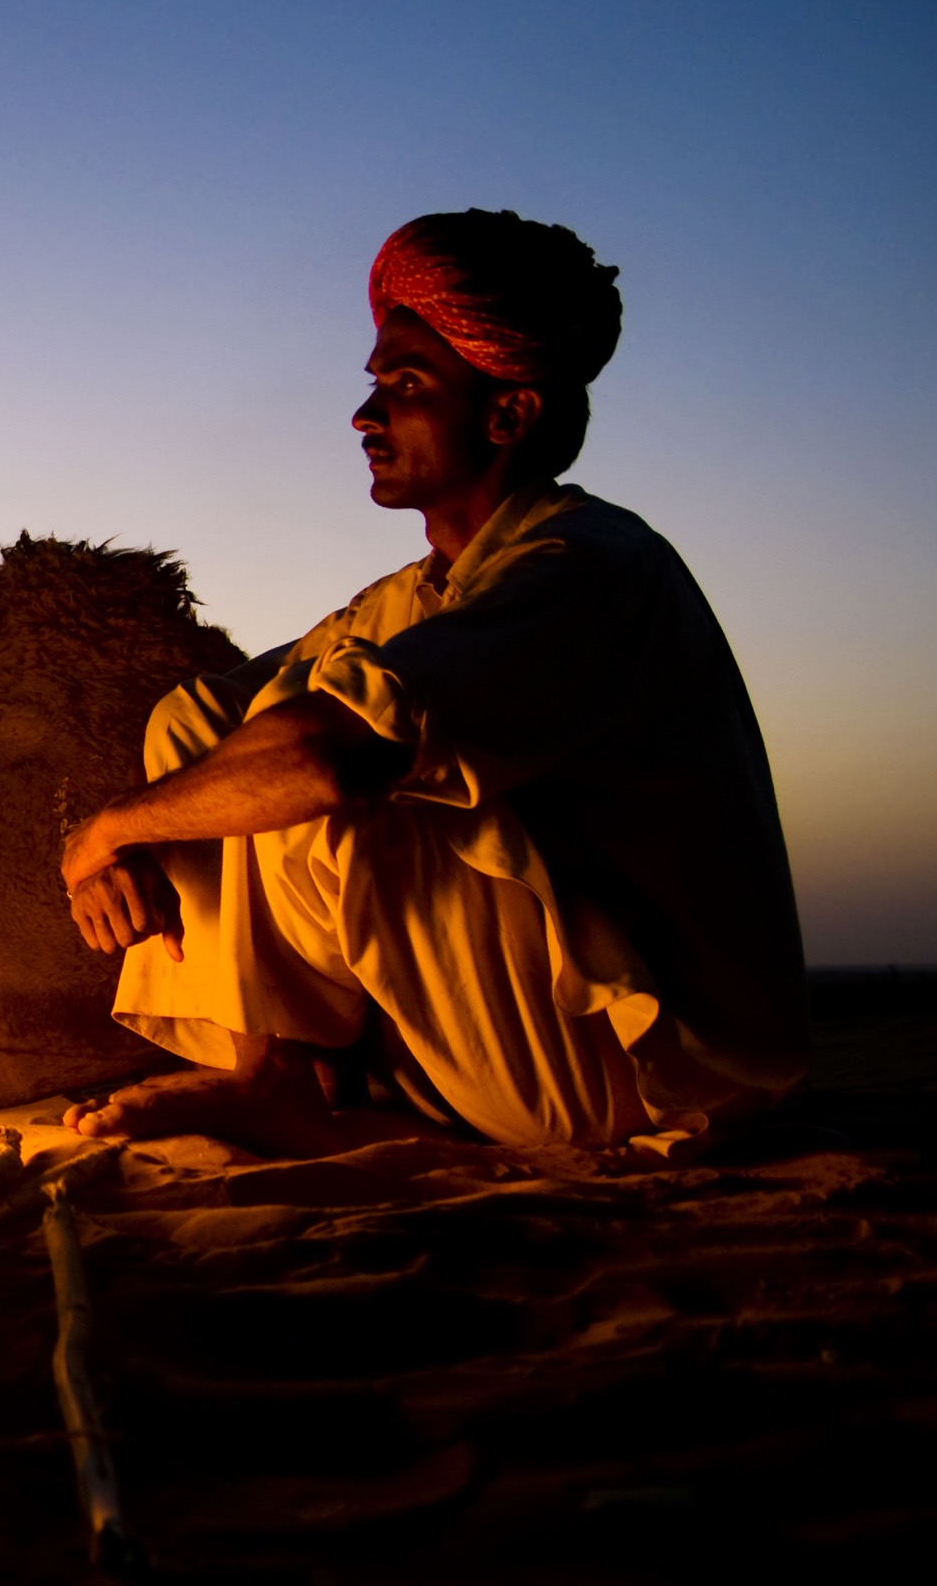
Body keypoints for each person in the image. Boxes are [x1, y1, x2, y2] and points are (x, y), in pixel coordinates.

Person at [59, 211, 805, 1156]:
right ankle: (275, 1071)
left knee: (322, 761)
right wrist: (143, 819)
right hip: (495, 1048)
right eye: (374, 387)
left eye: (406, 387)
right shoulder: (417, 597)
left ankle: (275, 1080)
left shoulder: (589, 566)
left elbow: (329, 755)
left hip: (636, 1075)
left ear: (509, 414)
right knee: (206, 723)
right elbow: (204, 717)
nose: (366, 418)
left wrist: (108, 831)